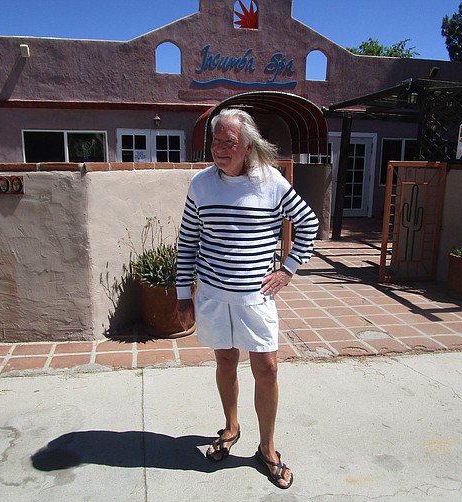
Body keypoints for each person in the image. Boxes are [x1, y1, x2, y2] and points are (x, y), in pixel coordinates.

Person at [175, 108, 319, 489]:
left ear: (248, 146)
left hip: (255, 298)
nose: (220, 149)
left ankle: (267, 448)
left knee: (267, 368)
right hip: (212, 295)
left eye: (229, 142)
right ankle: (231, 426)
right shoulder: (200, 184)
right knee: (225, 359)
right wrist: (181, 294)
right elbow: (188, 240)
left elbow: (308, 223)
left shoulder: (270, 182)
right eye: (215, 141)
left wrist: (288, 269)